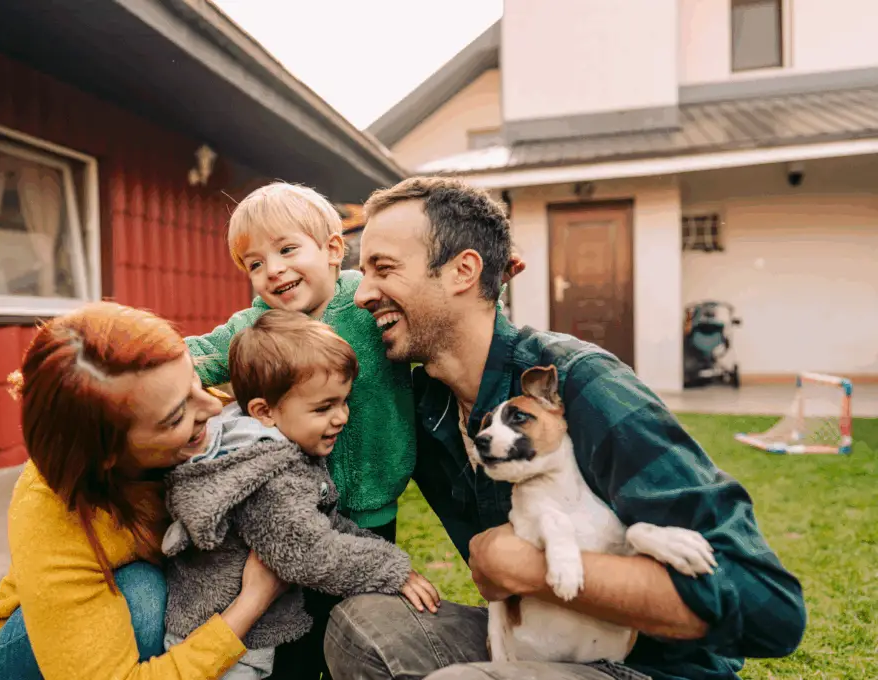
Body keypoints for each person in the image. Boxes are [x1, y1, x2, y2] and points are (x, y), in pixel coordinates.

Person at [323, 177, 808, 680]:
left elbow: (769, 611)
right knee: (363, 626)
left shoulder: (583, 384)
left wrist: (534, 570)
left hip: (651, 668)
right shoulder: (424, 404)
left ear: (463, 271)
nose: (362, 294)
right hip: (547, 646)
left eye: (382, 269)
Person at [0, 302, 288, 680]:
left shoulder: (168, 404)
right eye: (175, 416)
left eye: (195, 382)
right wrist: (254, 601)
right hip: (29, 659)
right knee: (146, 596)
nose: (212, 408)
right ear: (108, 455)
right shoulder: (53, 516)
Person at [161, 310, 439, 680]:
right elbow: (311, 551)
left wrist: (382, 552)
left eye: (343, 401)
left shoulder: (264, 445)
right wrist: (392, 570)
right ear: (265, 411)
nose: (341, 417)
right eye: (324, 407)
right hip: (228, 649)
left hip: (227, 628)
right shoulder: (269, 477)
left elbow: (324, 522)